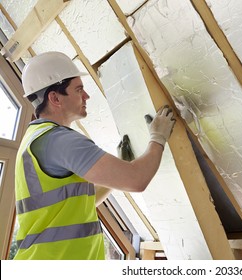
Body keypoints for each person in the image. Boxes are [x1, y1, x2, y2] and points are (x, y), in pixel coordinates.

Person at [14, 51, 176, 260]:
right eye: (79, 89)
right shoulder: (60, 141)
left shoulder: (34, 139)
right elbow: (137, 180)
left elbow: (80, 205)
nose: (86, 96)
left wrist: (114, 177)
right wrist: (158, 137)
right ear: (55, 98)